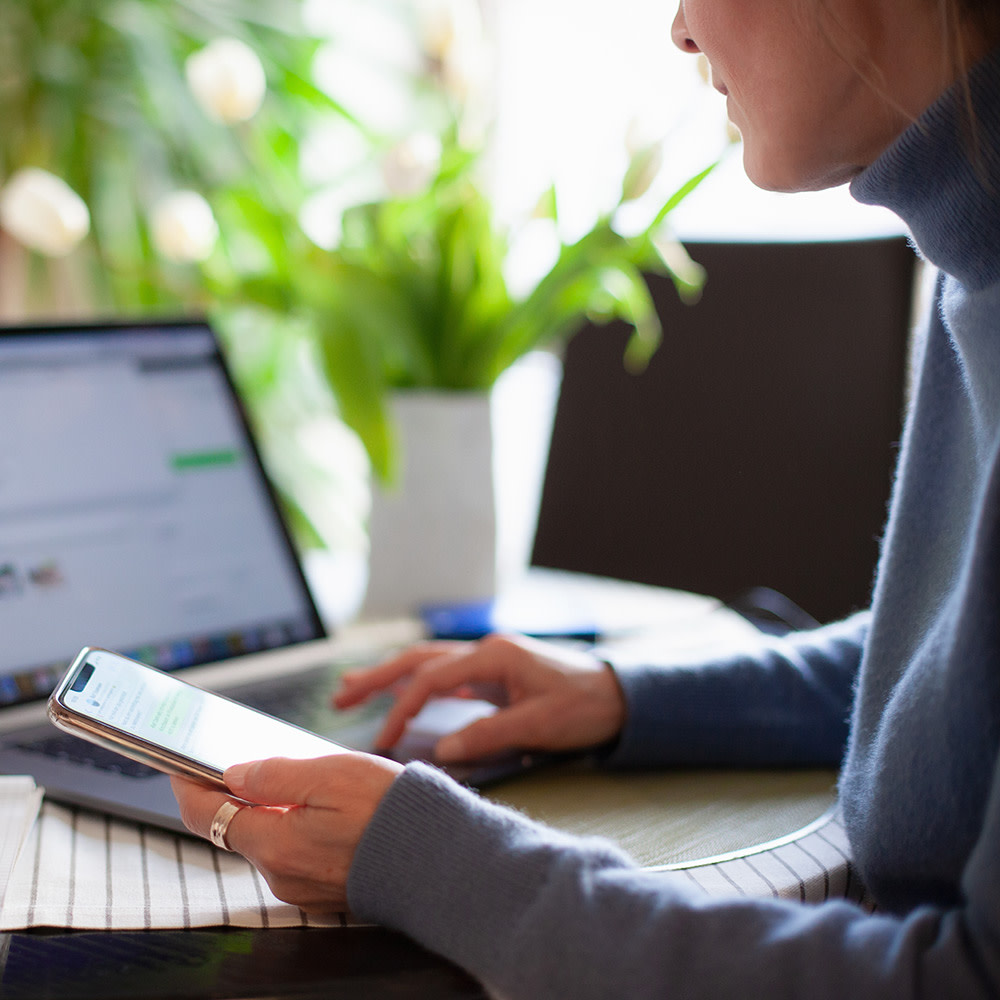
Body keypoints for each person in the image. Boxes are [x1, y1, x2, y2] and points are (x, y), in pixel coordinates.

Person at [172, 0, 1000, 995]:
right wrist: (613, 696)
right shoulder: (971, 266)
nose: (680, 30)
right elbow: (950, 675)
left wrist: (443, 864)